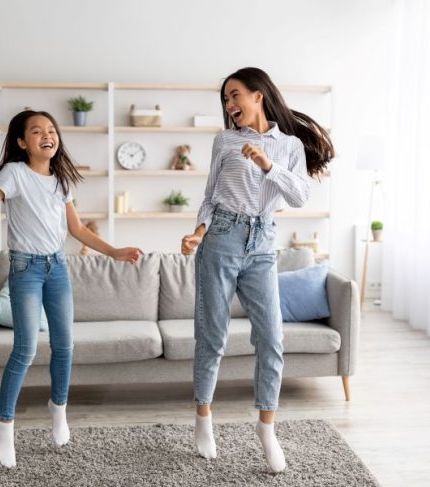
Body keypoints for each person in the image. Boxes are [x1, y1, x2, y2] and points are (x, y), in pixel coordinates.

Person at [0, 109, 143, 468]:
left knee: (64, 346)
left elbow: (79, 231)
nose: (46, 135)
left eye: (50, 129)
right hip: (25, 269)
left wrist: (115, 251)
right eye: (36, 131)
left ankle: (58, 410)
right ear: (23, 143)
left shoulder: (61, 179)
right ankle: (4, 423)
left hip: (58, 268)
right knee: (23, 349)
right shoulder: (14, 173)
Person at [180, 67, 334, 472]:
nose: (230, 106)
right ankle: (203, 418)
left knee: (271, 339)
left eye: (235, 96)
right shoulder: (225, 141)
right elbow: (211, 197)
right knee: (212, 337)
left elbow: (299, 195)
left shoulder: (289, 147)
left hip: (264, 243)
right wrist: (198, 232)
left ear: (258, 96)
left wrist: (268, 164)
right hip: (221, 239)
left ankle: (267, 430)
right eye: (226, 100)